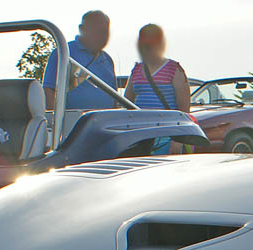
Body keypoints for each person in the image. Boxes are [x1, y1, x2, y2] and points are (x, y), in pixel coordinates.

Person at [123, 24, 192, 154]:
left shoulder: (173, 69)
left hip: (166, 136)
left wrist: (178, 140)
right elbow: (127, 102)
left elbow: (184, 110)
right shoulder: (137, 69)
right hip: (139, 136)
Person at [42, 10, 117, 111]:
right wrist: (54, 121)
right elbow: (49, 90)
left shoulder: (108, 60)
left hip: (102, 122)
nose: (101, 36)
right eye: (96, 31)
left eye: (104, 31)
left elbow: (114, 98)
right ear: (82, 29)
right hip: (72, 123)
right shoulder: (64, 53)